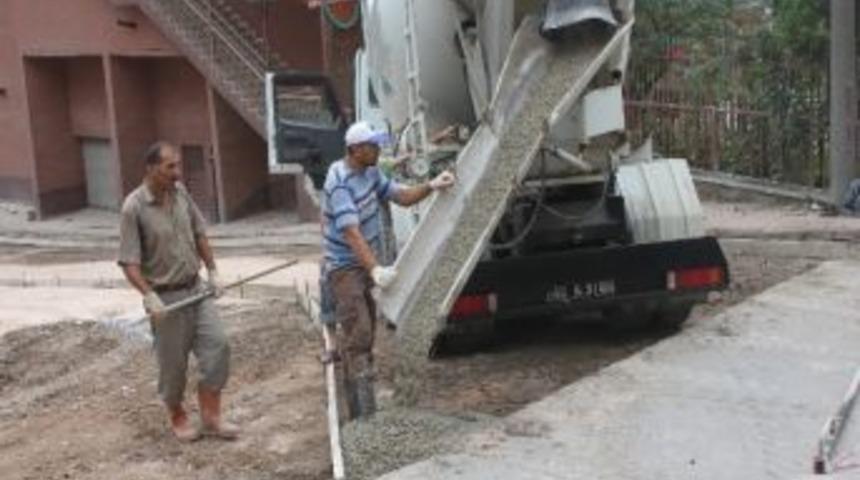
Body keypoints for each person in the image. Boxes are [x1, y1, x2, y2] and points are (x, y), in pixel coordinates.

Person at [322, 121, 455, 419]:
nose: (378, 149)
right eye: (372, 145)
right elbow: (351, 233)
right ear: (355, 150)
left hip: (364, 262)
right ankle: (361, 415)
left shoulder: (370, 173)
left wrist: (432, 185)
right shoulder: (339, 180)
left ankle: (364, 400)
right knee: (360, 331)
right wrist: (375, 270)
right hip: (344, 266)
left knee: (365, 330)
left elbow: (401, 196)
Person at [118, 141, 238, 442]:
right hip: (166, 299)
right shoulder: (134, 207)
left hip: (196, 290)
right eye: (170, 166)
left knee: (218, 347)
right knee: (173, 366)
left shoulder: (181, 193)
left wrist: (212, 271)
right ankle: (178, 415)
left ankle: (211, 416)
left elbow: (199, 233)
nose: (177, 172)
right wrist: (149, 296)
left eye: (178, 165)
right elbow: (129, 262)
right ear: (151, 168)